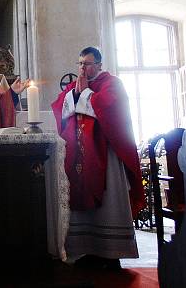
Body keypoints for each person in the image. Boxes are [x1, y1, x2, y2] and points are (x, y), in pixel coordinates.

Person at [50, 47, 143, 269]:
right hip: (77, 154)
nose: (83, 68)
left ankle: (110, 253)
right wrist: (75, 95)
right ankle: (82, 249)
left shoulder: (112, 84)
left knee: (108, 198)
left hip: (106, 154)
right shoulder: (76, 87)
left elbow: (109, 108)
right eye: (80, 63)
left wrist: (82, 95)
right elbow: (59, 107)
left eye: (88, 63)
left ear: (100, 65)